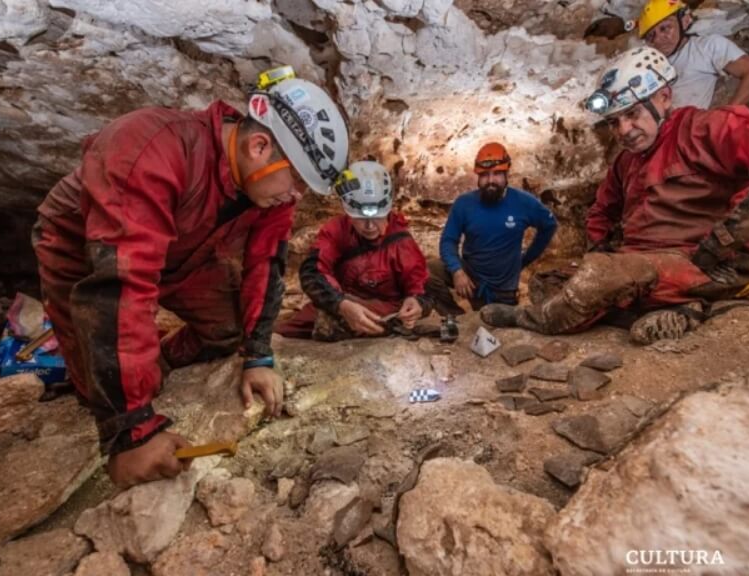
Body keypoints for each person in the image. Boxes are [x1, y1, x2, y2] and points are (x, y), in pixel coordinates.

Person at [32, 67, 349, 487]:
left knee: (227, 330)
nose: (296, 197)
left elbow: (265, 265)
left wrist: (257, 355)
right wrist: (133, 432)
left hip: (184, 249)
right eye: (297, 182)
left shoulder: (269, 196)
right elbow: (121, 285)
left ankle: (154, 363)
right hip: (87, 250)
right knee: (98, 381)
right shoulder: (151, 146)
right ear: (259, 145)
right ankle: (123, 398)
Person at [481, 47, 749, 343]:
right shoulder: (627, 162)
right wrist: (600, 247)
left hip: (702, 263)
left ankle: (533, 320)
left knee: (600, 278)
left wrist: (724, 239)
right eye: (615, 122)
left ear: (664, 98)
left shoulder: (707, 128)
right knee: (550, 280)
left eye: (631, 114)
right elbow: (602, 210)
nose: (624, 130)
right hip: (641, 263)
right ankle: (669, 308)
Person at [275, 161, 431, 341]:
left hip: (385, 311)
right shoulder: (336, 231)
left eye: (378, 217)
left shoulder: (400, 240)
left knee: (335, 326)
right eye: (360, 218)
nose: (370, 226)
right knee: (282, 331)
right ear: (347, 211)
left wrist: (418, 302)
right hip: (341, 301)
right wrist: (340, 304)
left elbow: (420, 282)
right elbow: (313, 272)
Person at [426, 143, 557, 316]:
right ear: (478, 177)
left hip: (502, 290)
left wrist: (525, 260)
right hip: (470, 278)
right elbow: (448, 241)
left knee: (491, 324)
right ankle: (455, 317)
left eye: (497, 174)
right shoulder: (464, 204)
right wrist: (457, 270)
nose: (490, 180)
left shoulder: (523, 202)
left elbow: (549, 225)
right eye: (485, 175)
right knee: (425, 270)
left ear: (506, 174)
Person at [638, 0, 749, 109]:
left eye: (665, 28)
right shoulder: (648, 65)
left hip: (690, 131)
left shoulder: (707, 46)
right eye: (651, 35)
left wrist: (727, 115)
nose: (658, 39)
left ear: (684, 20)